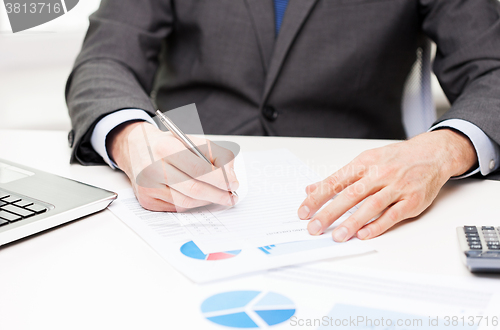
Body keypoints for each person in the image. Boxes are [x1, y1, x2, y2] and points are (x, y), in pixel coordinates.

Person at [66, 0, 500, 242]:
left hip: (353, 212)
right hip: (179, 204)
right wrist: (130, 138)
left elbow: (492, 69)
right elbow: (106, 58)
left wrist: (444, 149)